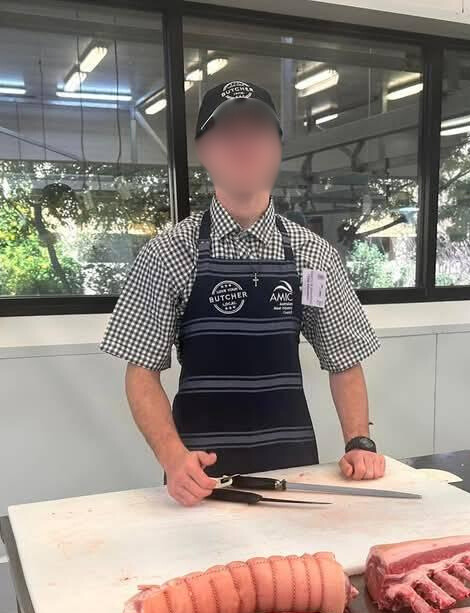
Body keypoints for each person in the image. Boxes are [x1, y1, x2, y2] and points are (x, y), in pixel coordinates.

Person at [101, 79, 386, 506]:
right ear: (204, 150)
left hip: (294, 478)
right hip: (200, 482)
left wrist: (359, 442)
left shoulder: (313, 257)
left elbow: (344, 359)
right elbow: (141, 372)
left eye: (257, 131)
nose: (244, 145)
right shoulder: (167, 254)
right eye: (228, 133)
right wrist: (174, 458)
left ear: (277, 147)